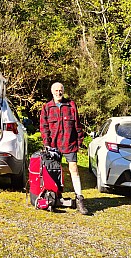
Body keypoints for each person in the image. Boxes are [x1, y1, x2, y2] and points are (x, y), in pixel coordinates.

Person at [39, 82, 89, 215]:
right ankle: (54, 198)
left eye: (60, 90)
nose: (58, 92)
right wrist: (47, 144)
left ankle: (79, 199)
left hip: (70, 143)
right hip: (53, 145)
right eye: (56, 90)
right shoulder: (47, 107)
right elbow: (44, 128)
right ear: (52, 92)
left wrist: (79, 142)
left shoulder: (71, 105)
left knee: (74, 169)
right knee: (54, 172)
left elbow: (77, 125)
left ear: (63, 91)